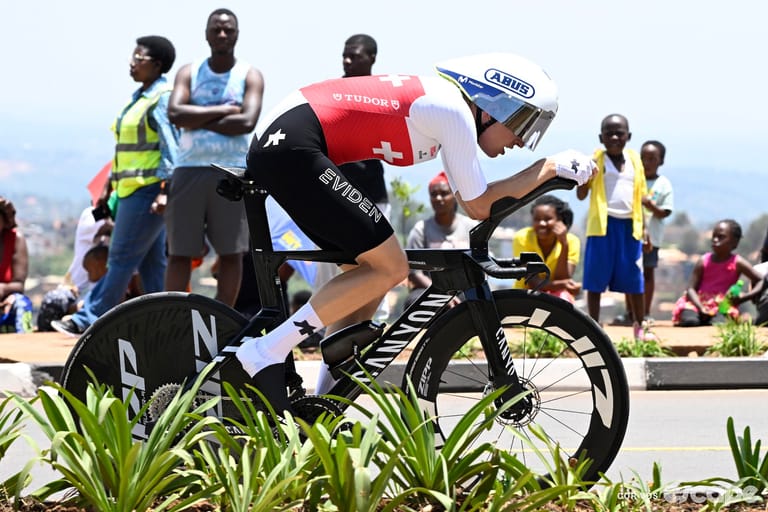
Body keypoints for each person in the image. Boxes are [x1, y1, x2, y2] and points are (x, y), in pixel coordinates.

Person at [235, 52, 596, 412]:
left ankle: (323, 408)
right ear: (493, 105)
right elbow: (479, 206)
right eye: (523, 122)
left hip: (290, 142)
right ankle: (266, 351)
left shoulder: (448, 111)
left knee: (363, 291)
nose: (521, 139)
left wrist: (544, 172)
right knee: (390, 267)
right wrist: (547, 167)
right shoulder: (453, 111)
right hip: (292, 145)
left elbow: (474, 203)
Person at [51, 35, 178, 336]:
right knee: (151, 265)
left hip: (147, 191)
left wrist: (164, 191)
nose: (132, 63)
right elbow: (126, 147)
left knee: (121, 256)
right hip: (130, 189)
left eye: (139, 58)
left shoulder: (161, 99)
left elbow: (171, 150)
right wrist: (110, 184)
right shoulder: (140, 97)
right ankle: (162, 323)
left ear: (157, 65)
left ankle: (88, 318)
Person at [164, 8, 264, 307]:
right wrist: (224, 111)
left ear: (237, 34)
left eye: (228, 30)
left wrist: (196, 117)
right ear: (206, 34)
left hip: (231, 171)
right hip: (188, 169)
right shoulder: (189, 72)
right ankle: (175, 315)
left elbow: (247, 121)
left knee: (232, 253)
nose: (222, 35)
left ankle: (222, 320)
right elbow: (175, 113)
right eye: (216, 29)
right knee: (179, 252)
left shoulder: (249, 74)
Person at [312, 34, 391, 321]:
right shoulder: (330, 94)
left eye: (354, 56)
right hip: (332, 196)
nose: (347, 61)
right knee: (329, 270)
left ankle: (373, 332)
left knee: (379, 269)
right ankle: (325, 333)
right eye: (345, 55)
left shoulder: (384, 95)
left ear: (372, 58)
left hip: (372, 196)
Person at [576, 114, 653, 342]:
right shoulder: (596, 161)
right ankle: (594, 328)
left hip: (630, 227)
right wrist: (584, 177)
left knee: (634, 278)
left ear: (629, 136)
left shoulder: (634, 161)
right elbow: (581, 195)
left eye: (620, 133)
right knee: (595, 279)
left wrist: (645, 229)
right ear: (601, 137)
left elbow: (639, 196)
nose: (615, 137)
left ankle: (640, 328)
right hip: (603, 227)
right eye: (609, 133)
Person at [403, 170, 477, 309]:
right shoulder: (421, 229)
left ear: (454, 196)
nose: (438, 198)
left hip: (463, 290)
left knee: (479, 299)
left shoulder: (470, 227)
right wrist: (442, 294)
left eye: (444, 193)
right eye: (433, 194)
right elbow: (414, 273)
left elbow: (481, 264)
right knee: (413, 302)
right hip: (429, 290)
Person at [672, 219, 763, 327]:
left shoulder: (737, 262)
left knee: (718, 324)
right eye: (714, 236)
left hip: (722, 306)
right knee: (690, 321)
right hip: (698, 303)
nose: (715, 240)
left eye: (721, 237)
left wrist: (745, 297)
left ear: (734, 242)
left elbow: (761, 280)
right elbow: (691, 289)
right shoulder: (703, 261)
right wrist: (701, 307)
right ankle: (698, 318)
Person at [512, 194, 581, 303]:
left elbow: (562, 278)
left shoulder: (572, 241)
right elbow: (533, 282)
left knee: (563, 298)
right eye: (537, 219)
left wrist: (564, 244)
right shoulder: (522, 238)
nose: (541, 224)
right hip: (525, 294)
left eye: (548, 219)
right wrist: (564, 284)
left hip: (556, 298)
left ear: (560, 220)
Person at [639, 140, 673, 320]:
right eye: (643, 158)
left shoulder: (663, 184)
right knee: (632, 275)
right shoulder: (635, 180)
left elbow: (664, 212)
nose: (647, 163)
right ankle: (631, 312)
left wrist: (649, 205)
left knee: (648, 273)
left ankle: (645, 312)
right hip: (633, 235)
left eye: (652, 158)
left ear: (661, 161)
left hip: (653, 238)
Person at [0, 197, 33, 334]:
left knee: (21, 303)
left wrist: (3, 289)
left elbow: (19, 284)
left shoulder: (16, 239)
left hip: (8, 299)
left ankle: (23, 345)